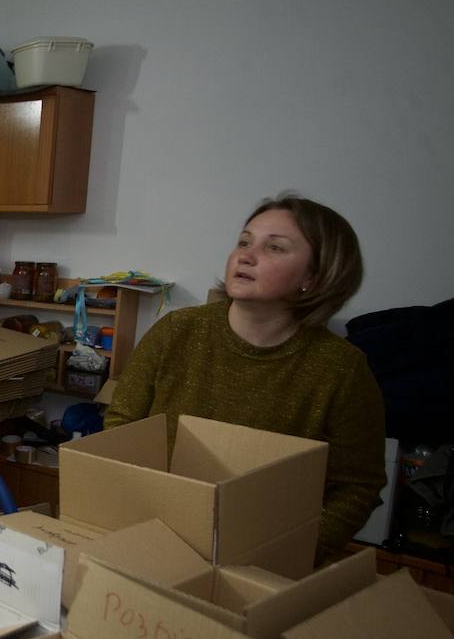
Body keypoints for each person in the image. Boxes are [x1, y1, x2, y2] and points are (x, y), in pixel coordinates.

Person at [105, 193, 386, 563]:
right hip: (153, 536)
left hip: (263, 560)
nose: (246, 255)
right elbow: (121, 426)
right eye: (244, 241)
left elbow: (357, 487)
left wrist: (289, 552)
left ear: (313, 278)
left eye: (274, 248)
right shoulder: (176, 331)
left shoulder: (342, 369)